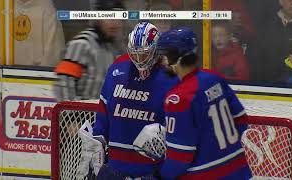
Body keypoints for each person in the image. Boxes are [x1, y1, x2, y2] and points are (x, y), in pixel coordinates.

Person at [156, 27, 252, 179]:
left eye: (165, 55)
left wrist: (160, 175)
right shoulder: (213, 77)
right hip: (238, 169)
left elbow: (181, 156)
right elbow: (241, 120)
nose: (162, 61)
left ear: (176, 56)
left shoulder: (178, 98)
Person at [92, 22, 177, 179]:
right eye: (134, 53)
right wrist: (97, 138)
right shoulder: (117, 68)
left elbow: (178, 124)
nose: (139, 59)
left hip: (150, 171)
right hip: (114, 168)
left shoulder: (170, 78)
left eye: (144, 54)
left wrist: (166, 135)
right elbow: (104, 109)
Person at [54, 0, 124, 101]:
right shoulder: (81, 44)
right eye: (109, 17)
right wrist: (74, 113)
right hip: (79, 114)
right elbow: (63, 84)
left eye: (119, 18)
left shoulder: (116, 49)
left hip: (101, 115)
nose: (115, 23)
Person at [13, 0, 65, 66]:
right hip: (2, 72)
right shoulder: (5, 7)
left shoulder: (48, 12)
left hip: (33, 74)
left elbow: (52, 61)